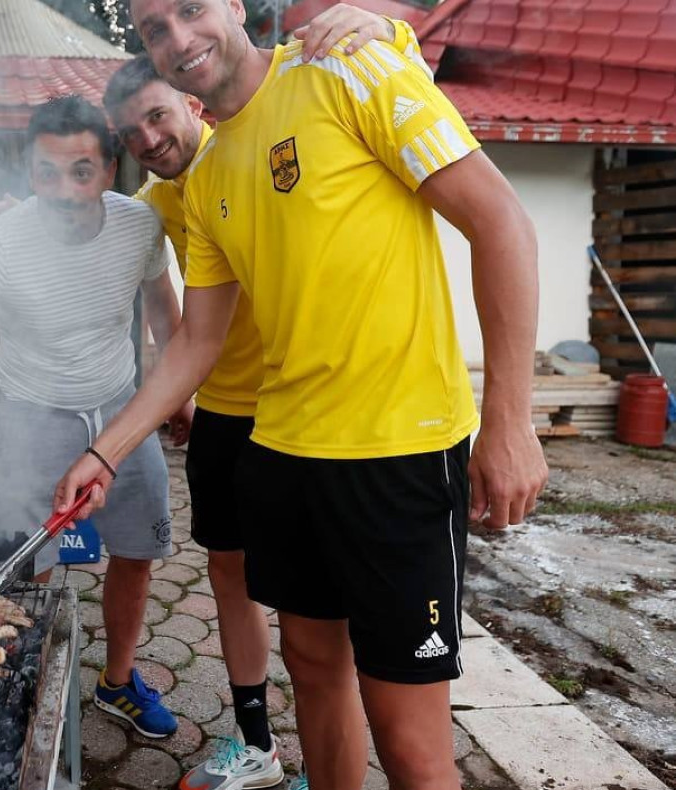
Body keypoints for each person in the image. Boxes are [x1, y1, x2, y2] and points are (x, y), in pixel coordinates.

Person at [54, 1, 549, 789]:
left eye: (191, 10)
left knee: (410, 738)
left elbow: (501, 224)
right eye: (155, 28)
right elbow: (198, 342)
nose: (179, 39)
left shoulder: (347, 69)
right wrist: (103, 453)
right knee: (314, 673)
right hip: (281, 455)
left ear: (236, 7)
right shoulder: (208, 176)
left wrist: (510, 422)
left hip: (396, 453)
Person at [100, 7, 421, 788]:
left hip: (328, 422)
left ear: (193, 105)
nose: (148, 141)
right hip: (228, 416)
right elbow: (175, 324)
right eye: (131, 133)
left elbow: (396, 77)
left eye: (157, 118)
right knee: (234, 583)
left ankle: (336, 759)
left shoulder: (280, 129)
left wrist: (381, 20)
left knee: (330, 629)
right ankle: (257, 745)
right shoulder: (160, 206)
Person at [0, 95, 192, 739]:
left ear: (109, 169)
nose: (65, 190)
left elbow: (162, 309)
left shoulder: (140, 227)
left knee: (138, 551)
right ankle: (27, 670)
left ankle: (118, 682)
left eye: (82, 171)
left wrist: (179, 397)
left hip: (121, 413)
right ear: (28, 173)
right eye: (47, 173)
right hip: (30, 415)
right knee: (31, 562)